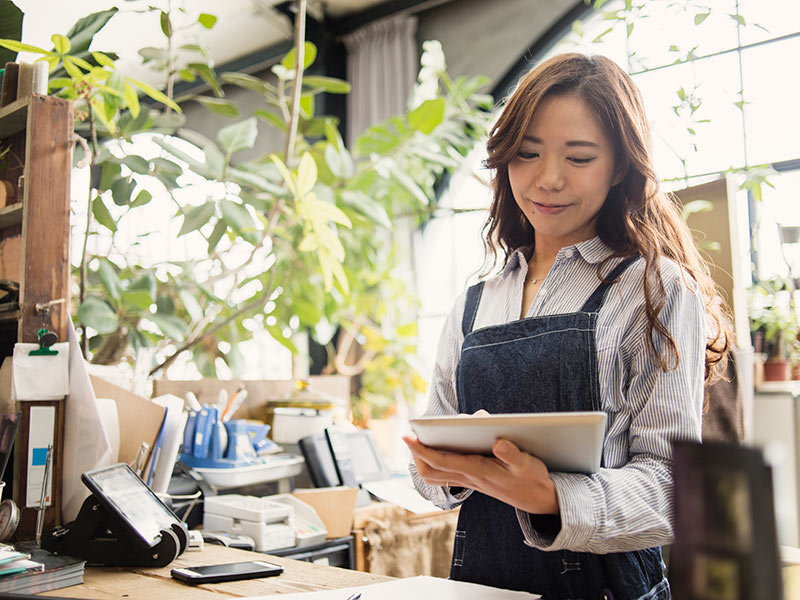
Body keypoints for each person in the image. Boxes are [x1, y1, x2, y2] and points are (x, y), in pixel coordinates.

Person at [403, 52, 731, 600]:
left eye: (578, 157)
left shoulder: (654, 288)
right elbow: (427, 468)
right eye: (527, 153)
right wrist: (446, 468)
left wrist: (552, 496)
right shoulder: (474, 302)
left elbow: (673, 490)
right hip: (485, 588)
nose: (548, 179)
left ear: (621, 167)